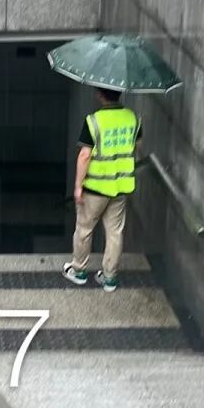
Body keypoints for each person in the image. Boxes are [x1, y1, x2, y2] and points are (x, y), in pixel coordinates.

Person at [62, 87, 142, 292]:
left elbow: (84, 156)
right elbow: (137, 146)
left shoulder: (94, 121)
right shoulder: (133, 118)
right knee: (115, 232)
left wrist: (77, 186)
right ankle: (109, 278)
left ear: (100, 95)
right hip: (120, 186)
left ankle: (79, 271)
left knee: (84, 229)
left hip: (95, 188)